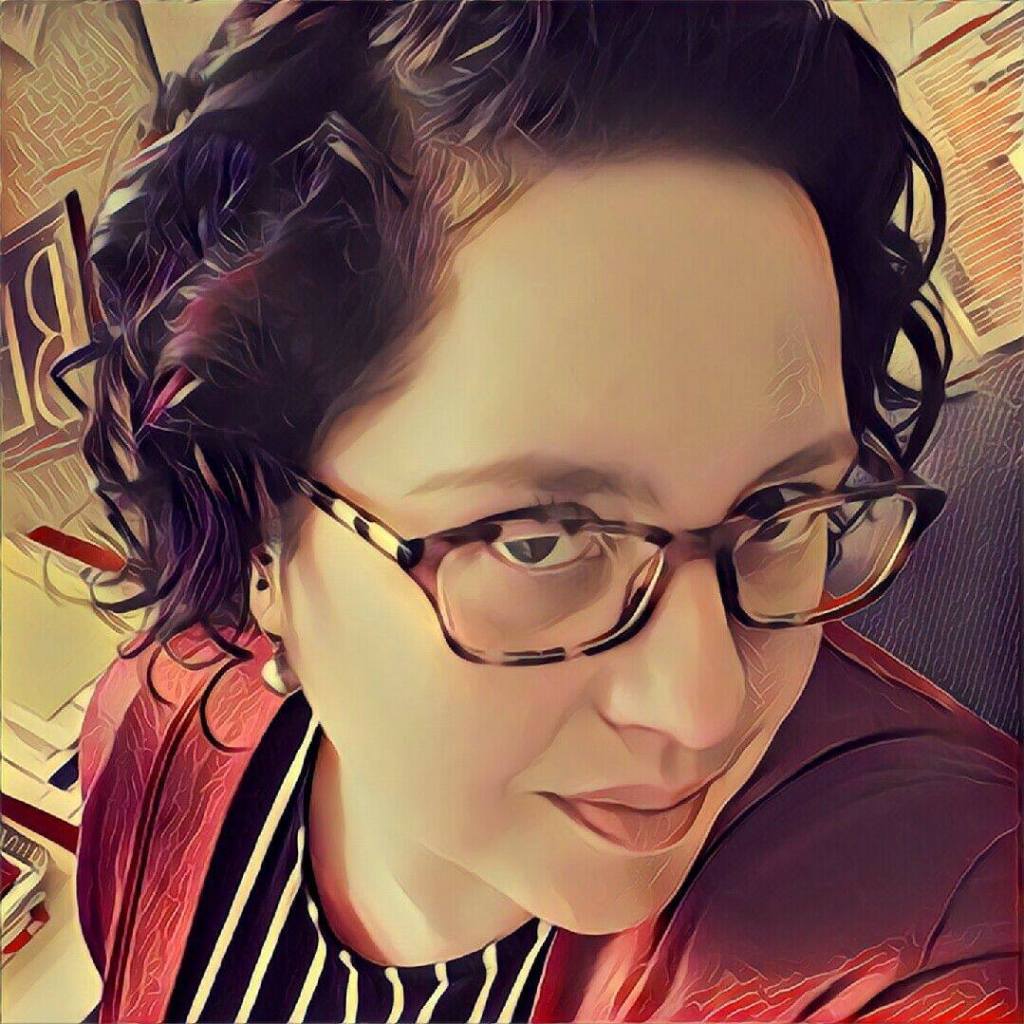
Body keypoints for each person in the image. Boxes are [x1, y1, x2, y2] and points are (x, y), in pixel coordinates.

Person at [62, 2, 1020, 1021]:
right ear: (258, 520)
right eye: (541, 540)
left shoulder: (935, 944)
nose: (704, 708)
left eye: (781, 513)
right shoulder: (158, 725)